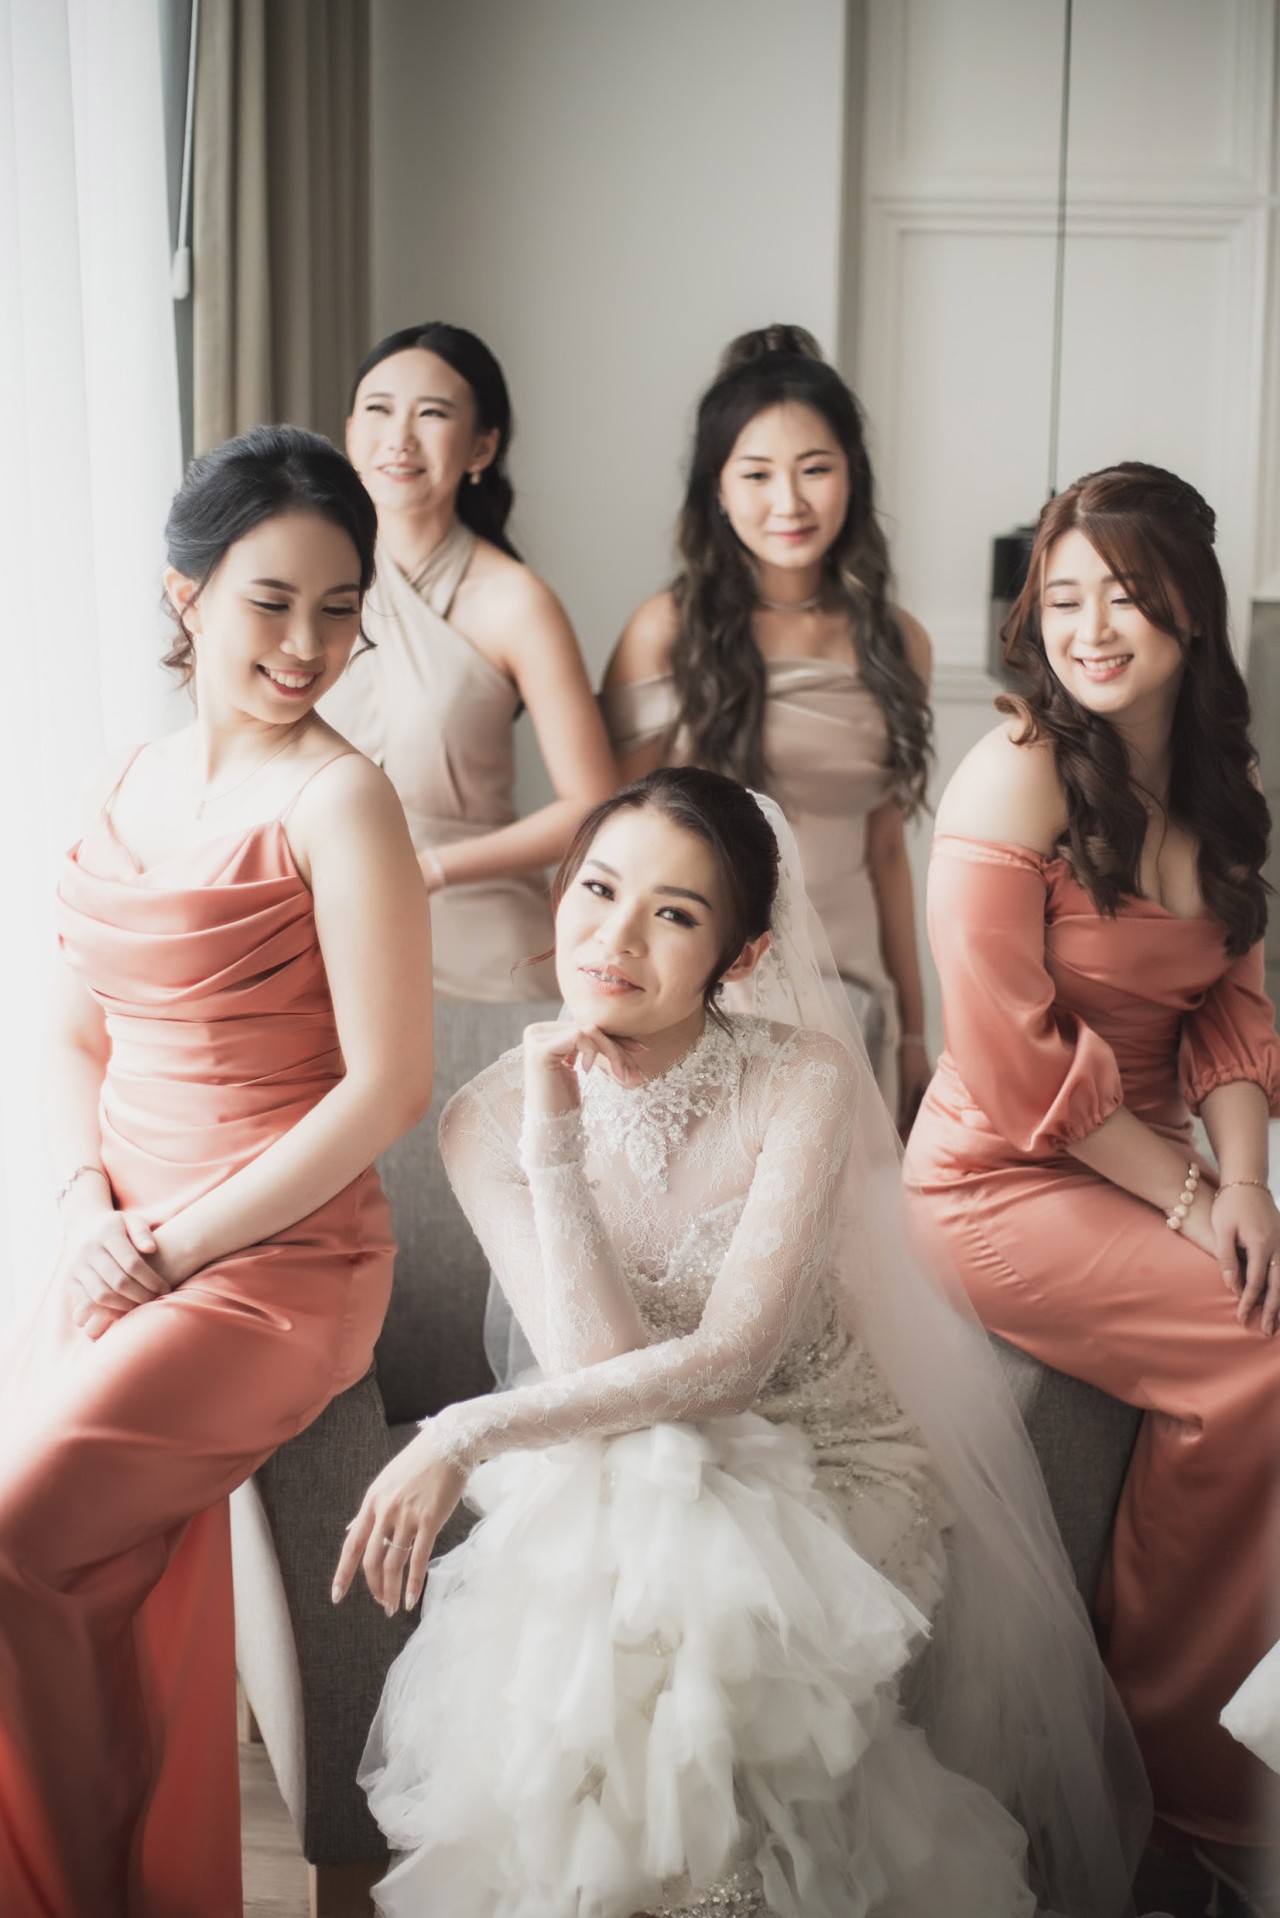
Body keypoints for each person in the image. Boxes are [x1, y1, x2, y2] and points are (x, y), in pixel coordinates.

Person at [335, 767, 1147, 1918]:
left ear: (743, 954)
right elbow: (595, 1369)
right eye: (597, 889)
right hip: (629, 1453)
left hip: (826, 1458)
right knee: (643, 1508)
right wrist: (553, 1138)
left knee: (651, 1538)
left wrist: (462, 1431)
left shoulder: (798, 1079)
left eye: (673, 913)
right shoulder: (487, 1119)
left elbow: (729, 1368)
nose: (616, 937)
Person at [0, 426, 433, 1917]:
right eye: (272, 601)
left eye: (339, 608)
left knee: (17, 1530)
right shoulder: (124, 777)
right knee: (69, 1559)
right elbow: (69, 1032)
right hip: (118, 1237)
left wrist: (173, 1249)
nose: (308, 644)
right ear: (185, 593)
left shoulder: (340, 799)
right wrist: (83, 1208)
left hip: (277, 1267)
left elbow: (387, 1087)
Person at [902, 462, 1280, 1904]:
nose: (1089, 627)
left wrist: (1243, 1180)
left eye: (1123, 594)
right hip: (999, 1178)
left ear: (1190, 606)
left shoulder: (1224, 782)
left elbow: (1230, 1007)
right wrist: (1190, 1198)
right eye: (1061, 599)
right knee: (1256, 1347)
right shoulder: (1015, 772)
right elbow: (1008, 1060)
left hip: (1150, 1160)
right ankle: (1179, 1776)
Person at [601, 325, 932, 1129]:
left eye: (815, 469)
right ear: (717, 488)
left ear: (853, 474)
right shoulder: (665, 631)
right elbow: (610, 845)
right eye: (756, 474)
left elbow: (887, 850)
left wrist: (917, 1030)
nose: (789, 503)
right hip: (707, 986)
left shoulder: (899, 641)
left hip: (854, 990)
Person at [322, 321, 616, 1000]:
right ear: (351, 433)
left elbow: (592, 804)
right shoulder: (309, 581)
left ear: (482, 447)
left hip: (475, 942)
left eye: (431, 414)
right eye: (379, 409)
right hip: (321, 921)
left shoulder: (516, 602)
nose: (400, 437)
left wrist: (430, 869)